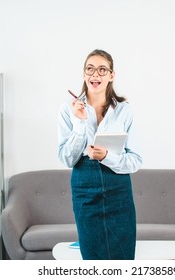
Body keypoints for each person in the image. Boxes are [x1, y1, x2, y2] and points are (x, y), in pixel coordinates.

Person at [57, 49, 142, 260]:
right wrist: (80, 122)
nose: (95, 75)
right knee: (92, 257)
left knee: (123, 257)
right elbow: (67, 159)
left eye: (102, 69)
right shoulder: (68, 111)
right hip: (84, 187)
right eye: (90, 69)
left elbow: (135, 161)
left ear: (111, 75)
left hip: (118, 188)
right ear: (84, 74)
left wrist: (107, 157)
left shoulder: (124, 111)